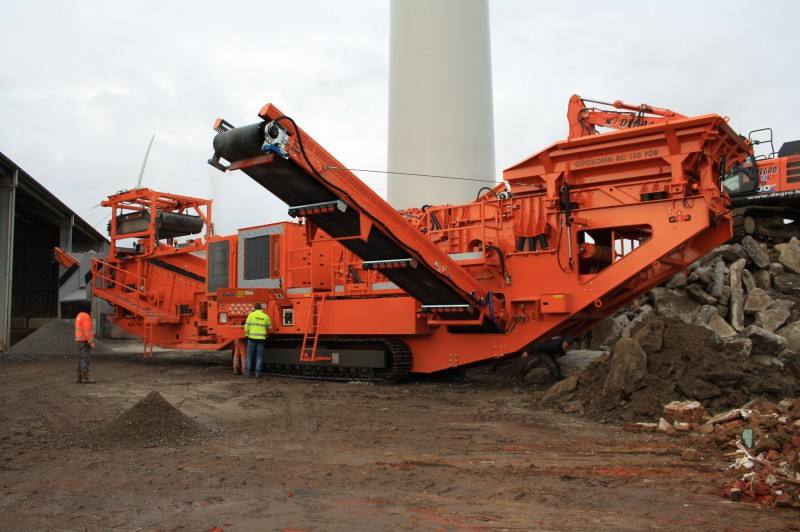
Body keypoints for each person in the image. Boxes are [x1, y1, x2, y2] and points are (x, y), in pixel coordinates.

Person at [243, 303, 272, 378]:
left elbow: (246, 328)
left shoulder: (251, 315)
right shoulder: (265, 316)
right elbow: (270, 327)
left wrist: (247, 334)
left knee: (249, 357)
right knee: (259, 357)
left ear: (254, 308)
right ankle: (257, 374)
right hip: (261, 340)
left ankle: (248, 373)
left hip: (251, 339)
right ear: (261, 308)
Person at [74, 301, 96, 384]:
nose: (91, 308)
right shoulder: (86, 317)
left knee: (80, 359)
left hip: (79, 340)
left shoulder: (79, 315)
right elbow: (87, 331)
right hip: (84, 341)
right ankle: (85, 379)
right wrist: (91, 342)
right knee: (85, 359)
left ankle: (79, 378)